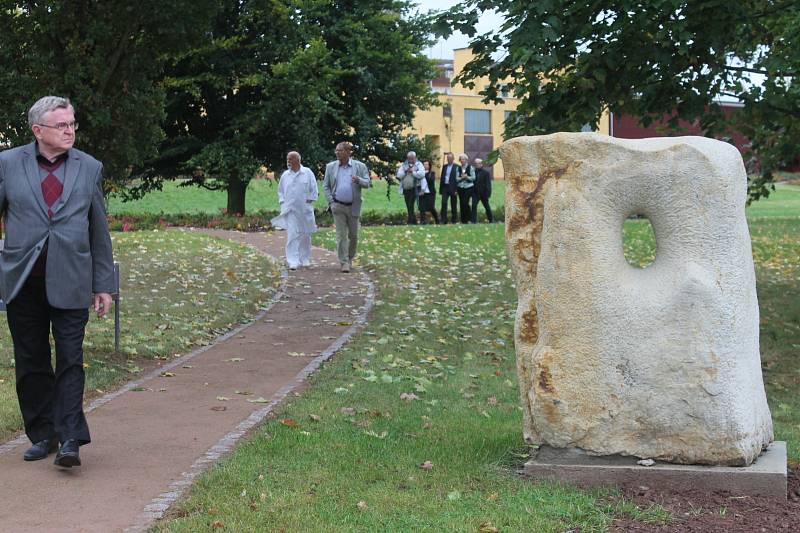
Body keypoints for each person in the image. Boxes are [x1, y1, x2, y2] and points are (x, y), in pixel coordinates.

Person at [0, 96, 115, 468]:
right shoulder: (7, 164)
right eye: (61, 125)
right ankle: (43, 434)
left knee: (70, 360)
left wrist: (104, 284)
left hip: (71, 281)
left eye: (72, 124)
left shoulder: (90, 167)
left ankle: (70, 439)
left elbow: (99, 230)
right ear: (38, 130)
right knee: (31, 363)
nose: (69, 131)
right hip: (22, 283)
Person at [323, 142, 371, 272]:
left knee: (353, 236)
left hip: (353, 206)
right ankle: (344, 262)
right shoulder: (331, 167)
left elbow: (368, 183)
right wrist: (331, 202)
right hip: (338, 205)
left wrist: (359, 180)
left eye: (340, 151)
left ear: (348, 152)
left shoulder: (360, 166)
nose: (337, 153)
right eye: (336, 151)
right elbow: (326, 186)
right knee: (341, 235)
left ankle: (350, 258)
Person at [271, 151, 318, 270]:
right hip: (290, 210)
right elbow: (280, 191)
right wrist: (282, 202)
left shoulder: (307, 173)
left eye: (290, 159)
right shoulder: (285, 175)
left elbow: (314, 189)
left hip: (304, 210)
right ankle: (293, 260)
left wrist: (310, 200)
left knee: (305, 234)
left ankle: (305, 258)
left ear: (297, 160)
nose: (288, 161)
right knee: (292, 234)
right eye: (288, 159)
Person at [396, 151, 426, 224]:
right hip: (406, 189)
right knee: (408, 205)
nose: (410, 160)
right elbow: (399, 175)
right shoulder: (404, 165)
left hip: (415, 188)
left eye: (412, 158)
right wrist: (406, 171)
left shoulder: (419, 164)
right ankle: (413, 220)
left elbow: (422, 174)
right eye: (409, 158)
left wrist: (413, 172)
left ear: (415, 158)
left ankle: (410, 221)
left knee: (411, 204)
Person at [439, 152, 459, 224]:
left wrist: (457, 190)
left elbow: (458, 179)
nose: (449, 159)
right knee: (444, 203)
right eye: (448, 158)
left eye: (450, 158)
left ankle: (454, 220)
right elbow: (442, 178)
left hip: (453, 188)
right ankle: (443, 219)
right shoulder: (444, 166)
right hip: (445, 187)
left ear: (453, 159)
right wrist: (441, 189)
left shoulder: (457, 167)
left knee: (453, 204)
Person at [472, 158, 494, 223]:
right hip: (475, 193)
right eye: (475, 163)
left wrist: (488, 194)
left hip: (484, 193)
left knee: (487, 207)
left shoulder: (486, 173)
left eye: (478, 163)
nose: (476, 165)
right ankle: (473, 221)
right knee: (473, 206)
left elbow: (488, 184)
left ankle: (491, 220)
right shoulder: (473, 172)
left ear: (481, 164)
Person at [456, 153, 476, 223]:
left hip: (468, 187)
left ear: (466, 160)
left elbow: (473, 178)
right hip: (460, 187)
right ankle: (463, 220)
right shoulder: (458, 168)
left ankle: (469, 218)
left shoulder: (470, 168)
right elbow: (456, 179)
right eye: (461, 159)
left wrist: (467, 177)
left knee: (465, 202)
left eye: (463, 159)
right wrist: (461, 178)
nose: (462, 161)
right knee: (461, 203)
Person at [419, 160, 439, 224]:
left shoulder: (431, 173)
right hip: (422, 193)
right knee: (422, 208)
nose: (425, 166)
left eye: (427, 164)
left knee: (431, 207)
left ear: (429, 166)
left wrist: (424, 175)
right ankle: (423, 221)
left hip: (430, 193)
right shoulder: (419, 173)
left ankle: (437, 219)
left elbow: (431, 180)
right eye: (424, 164)